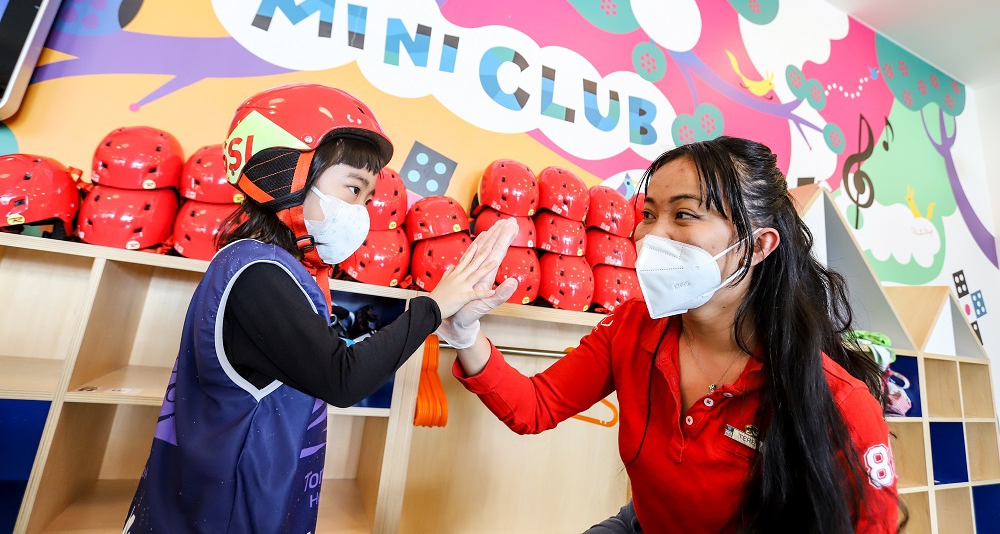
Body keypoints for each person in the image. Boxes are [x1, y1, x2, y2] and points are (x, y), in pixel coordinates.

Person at [450, 136, 900, 534]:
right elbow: (535, 406)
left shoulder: (839, 402)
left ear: (759, 246)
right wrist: (466, 333)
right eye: (648, 214)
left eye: (683, 214)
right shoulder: (630, 326)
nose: (650, 235)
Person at [123, 83, 518, 533]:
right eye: (353, 188)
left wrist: (447, 321)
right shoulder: (259, 275)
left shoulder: (269, 267)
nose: (362, 211)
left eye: (367, 198)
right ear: (284, 175)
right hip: (226, 515)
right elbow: (342, 378)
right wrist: (432, 306)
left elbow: (326, 356)